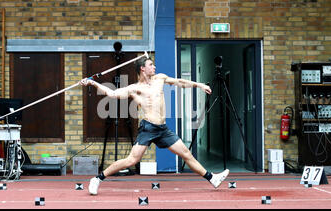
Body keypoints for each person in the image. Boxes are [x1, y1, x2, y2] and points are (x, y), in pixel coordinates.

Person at [80, 57, 230, 195]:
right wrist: (92, 82)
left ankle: (212, 178)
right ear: (142, 69)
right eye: (151, 65)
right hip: (148, 128)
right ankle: (97, 179)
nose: (154, 66)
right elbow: (112, 94)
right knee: (132, 160)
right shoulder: (135, 88)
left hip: (163, 129)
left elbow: (180, 82)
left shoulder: (160, 78)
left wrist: (199, 85)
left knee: (186, 154)